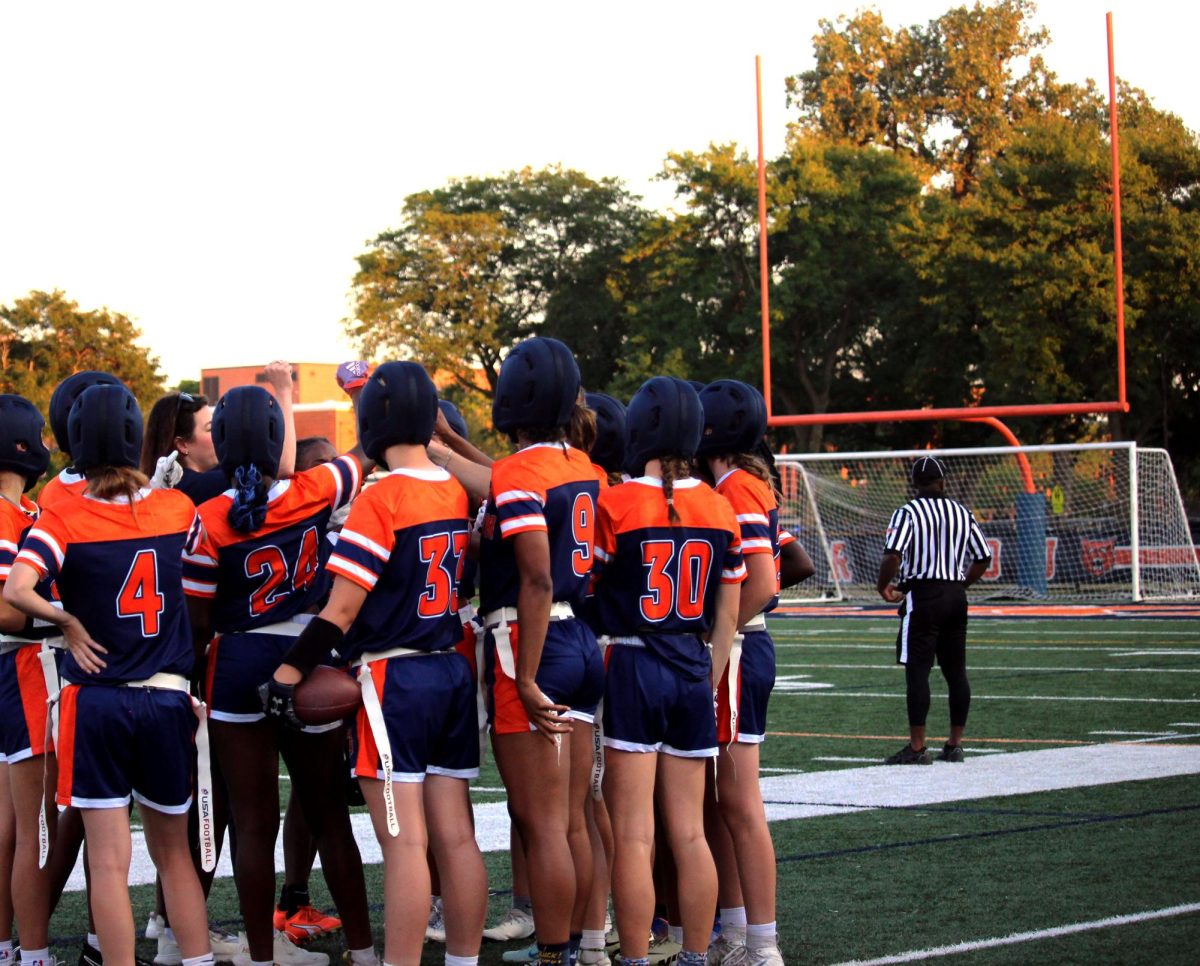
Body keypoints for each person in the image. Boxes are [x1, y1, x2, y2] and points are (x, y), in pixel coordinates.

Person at [263, 361, 487, 966]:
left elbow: (340, 610)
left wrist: (287, 672)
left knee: (406, 844)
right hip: (449, 668)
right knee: (458, 838)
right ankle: (464, 960)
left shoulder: (381, 497)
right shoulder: (452, 487)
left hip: (396, 680)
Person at [3, 384, 213, 966]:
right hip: (167, 697)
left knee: (110, 864)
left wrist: (67, 620)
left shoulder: (61, 514)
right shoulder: (178, 508)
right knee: (175, 858)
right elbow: (194, 574)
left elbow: (19, 590)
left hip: (95, 701)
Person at [183, 384, 373, 966]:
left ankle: (262, 956)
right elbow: (366, 452)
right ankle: (365, 951)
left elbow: (198, 619)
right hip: (309, 661)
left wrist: (193, 681)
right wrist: (365, 393)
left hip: (237, 665)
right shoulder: (316, 487)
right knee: (329, 815)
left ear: (217, 442)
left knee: (252, 821)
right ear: (277, 442)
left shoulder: (206, 518)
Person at [591, 377, 743, 966]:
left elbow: (587, 586)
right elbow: (727, 608)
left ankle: (633, 956)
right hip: (690, 666)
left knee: (633, 834)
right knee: (689, 832)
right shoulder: (719, 505)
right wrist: (709, 674)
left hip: (632, 659)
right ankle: (697, 956)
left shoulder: (618, 502)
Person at [479, 337, 604, 966]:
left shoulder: (519, 472)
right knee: (574, 818)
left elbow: (534, 578)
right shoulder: (586, 466)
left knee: (544, 824)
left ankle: (555, 953)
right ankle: (587, 945)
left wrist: (524, 674)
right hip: (580, 638)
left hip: (534, 643)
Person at [695, 380, 785, 966]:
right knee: (720, 802)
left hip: (739, 651)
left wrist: (714, 639)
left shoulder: (737, 487)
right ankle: (735, 931)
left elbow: (764, 583)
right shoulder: (742, 482)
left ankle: (763, 943)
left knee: (741, 803)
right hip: (743, 650)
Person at [876, 456, 992, 764]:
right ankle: (954, 744)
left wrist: (883, 585)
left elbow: (893, 555)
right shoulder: (961, 512)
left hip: (924, 596)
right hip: (955, 595)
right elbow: (983, 556)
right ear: (943, 482)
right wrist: (960, 585)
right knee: (956, 672)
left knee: (918, 671)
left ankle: (917, 748)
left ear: (914, 485)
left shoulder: (908, 512)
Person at [0, 395, 58, 966]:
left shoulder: (27, 511)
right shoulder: (5, 511)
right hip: (22, 665)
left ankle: (6, 946)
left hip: (17, 668)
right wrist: (61, 613)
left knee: (11, 825)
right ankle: (36, 952)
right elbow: (7, 610)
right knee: (35, 825)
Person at [141, 362, 296, 506]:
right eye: (210, 429)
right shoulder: (188, 485)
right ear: (182, 444)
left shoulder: (172, 482)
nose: (218, 435)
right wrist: (283, 390)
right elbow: (281, 468)